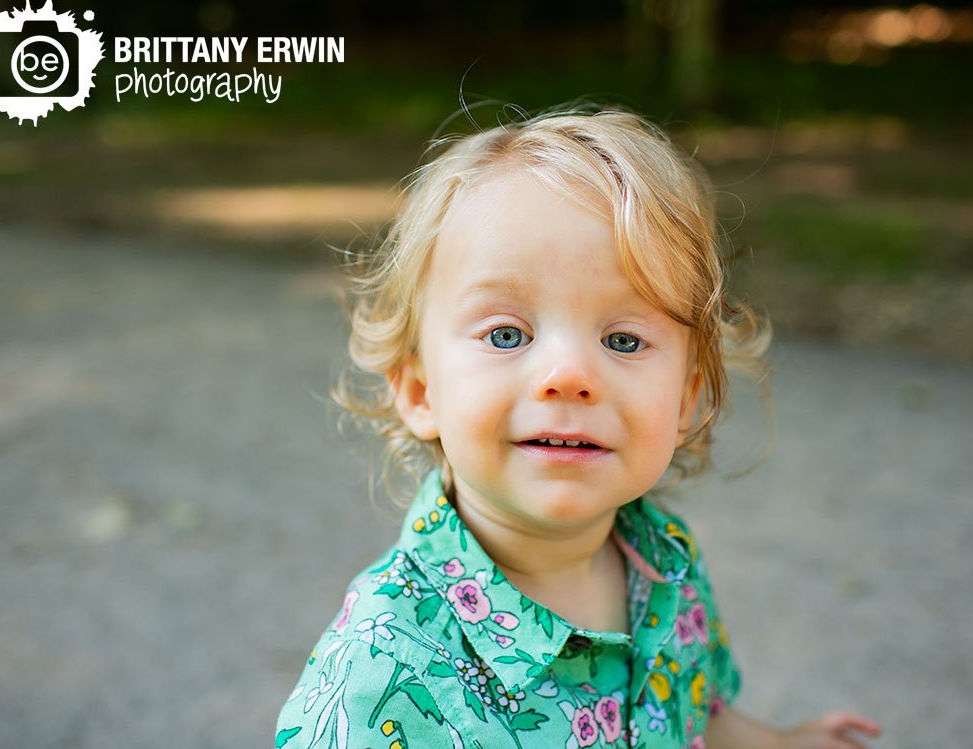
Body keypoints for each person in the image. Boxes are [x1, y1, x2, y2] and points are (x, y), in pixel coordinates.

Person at [275, 105, 881, 748]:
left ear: (685, 398)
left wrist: (782, 745)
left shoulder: (664, 562)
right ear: (421, 390)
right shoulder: (382, 676)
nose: (568, 374)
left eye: (623, 339)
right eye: (506, 334)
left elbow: (691, 714)